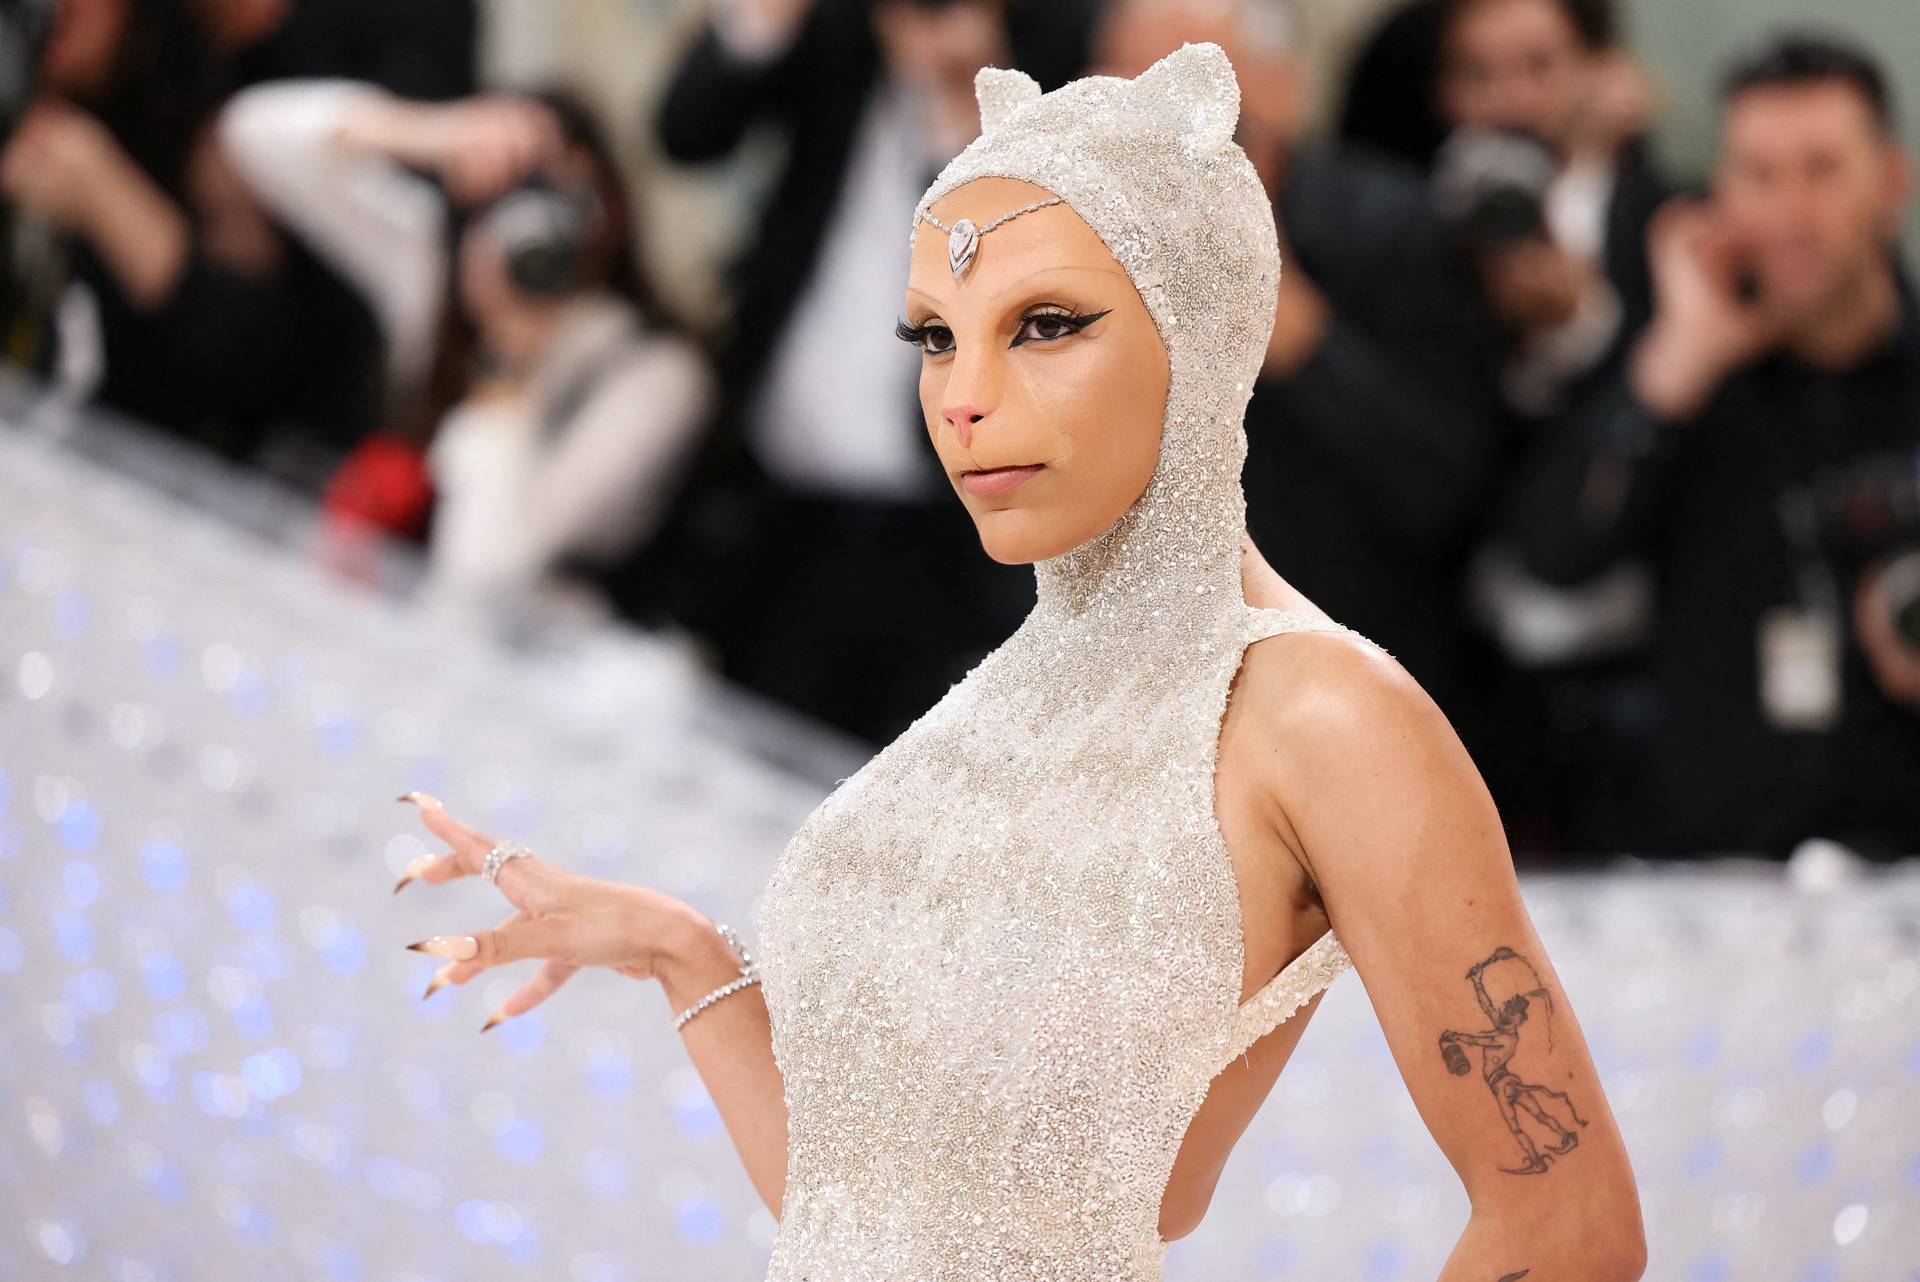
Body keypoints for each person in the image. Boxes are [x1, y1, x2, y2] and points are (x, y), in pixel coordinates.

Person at [389, 44, 1645, 1277]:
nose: (964, 395)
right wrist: (686, 953)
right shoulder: (989, 704)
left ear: (1202, 335)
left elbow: (1568, 1229)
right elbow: (865, 1210)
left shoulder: (1320, 710)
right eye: (934, 337)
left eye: (1044, 325)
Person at [638, 0, 1101, 745]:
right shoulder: (837, 31)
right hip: (772, 481)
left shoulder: (1052, 46)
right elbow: (686, 133)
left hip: (930, 522)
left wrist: (965, 99)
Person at [1505, 32, 1920, 856]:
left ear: (1891, 183)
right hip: (1711, 869)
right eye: (1758, 175)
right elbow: (1552, 556)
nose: (1789, 210)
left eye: (1822, 169)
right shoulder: (1682, 367)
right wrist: (1675, 366)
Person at [1097, 0, 1504, 742]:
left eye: (1190, 77)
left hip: (1348, 694)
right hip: (1136, 694)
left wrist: (1309, 347)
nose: (1152, 107)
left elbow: (1448, 486)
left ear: (1277, 89)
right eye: (1125, 79)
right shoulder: (1070, 242)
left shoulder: (1393, 228)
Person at [219, 81, 713, 617]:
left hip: (527, 654)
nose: (538, 227)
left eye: (565, 197)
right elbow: (250, 132)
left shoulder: (654, 374)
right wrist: (435, 132)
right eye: (521, 191)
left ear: (612, 209)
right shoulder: (435, 271)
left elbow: (488, 568)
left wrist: (510, 360)